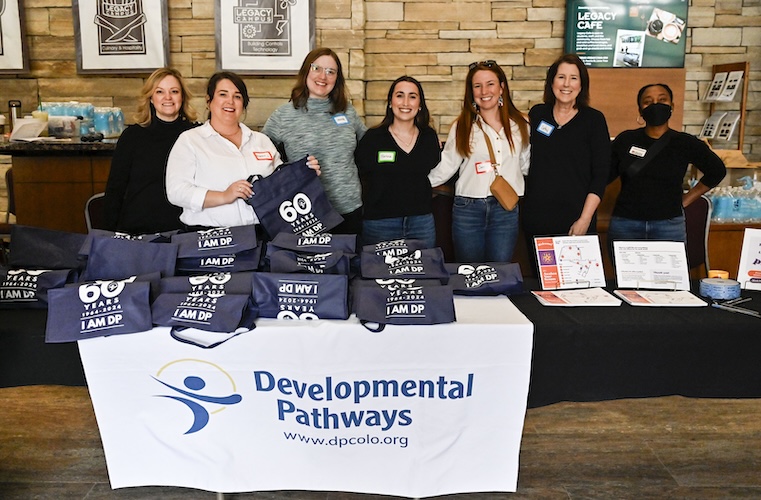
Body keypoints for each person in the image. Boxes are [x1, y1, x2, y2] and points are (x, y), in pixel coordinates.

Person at [166, 72, 320, 229]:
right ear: (209, 101)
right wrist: (224, 196)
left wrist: (304, 173)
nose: (230, 102)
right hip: (210, 239)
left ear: (243, 104)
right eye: (223, 94)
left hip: (263, 236)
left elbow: (280, 187)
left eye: (237, 96)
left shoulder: (262, 141)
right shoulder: (190, 140)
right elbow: (177, 192)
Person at [427, 60, 530, 262]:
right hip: (468, 209)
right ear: (471, 91)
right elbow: (447, 166)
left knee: (500, 271)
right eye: (477, 85)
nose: (484, 91)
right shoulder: (463, 126)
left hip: (505, 208)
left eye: (490, 84)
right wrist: (415, 184)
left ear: (501, 88)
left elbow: (525, 164)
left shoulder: (520, 125)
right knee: (470, 272)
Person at [607, 83, 726, 255]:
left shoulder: (685, 143)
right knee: (627, 280)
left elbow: (717, 171)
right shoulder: (626, 140)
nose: (655, 105)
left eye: (662, 100)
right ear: (640, 109)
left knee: (667, 279)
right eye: (648, 101)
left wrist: (686, 199)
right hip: (626, 224)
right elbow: (603, 175)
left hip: (668, 225)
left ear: (672, 105)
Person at [262, 48, 366, 235]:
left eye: (330, 72)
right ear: (305, 72)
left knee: (349, 264)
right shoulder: (283, 116)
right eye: (316, 68)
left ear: (337, 79)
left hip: (349, 210)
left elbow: (370, 146)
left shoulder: (348, 112)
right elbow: (262, 159)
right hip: (305, 214)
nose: (323, 76)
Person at [522, 54, 611, 252]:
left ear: (581, 84)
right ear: (552, 81)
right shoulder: (538, 114)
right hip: (537, 217)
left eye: (573, 78)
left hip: (577, 218)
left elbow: (601, 175)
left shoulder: (594, 120)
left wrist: (585, 219)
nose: (566, 84)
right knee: (542, 280)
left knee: (577, 280)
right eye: (561, 77)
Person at [103, 67, 198, 234]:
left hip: (185, 232)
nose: (167, 97)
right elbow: (115, 190)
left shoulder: (196, 135)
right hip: (139, 231)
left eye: (174, 91)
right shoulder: (132, 136)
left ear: (182, 97)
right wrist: (108, 236)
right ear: (151, 98)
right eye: (160, 91)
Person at [354, 76, 441, 247]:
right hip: (380, 224)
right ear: (390, 102)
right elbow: (358, 175)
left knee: (424, 272)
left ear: (420, 104)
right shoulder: (373, 139)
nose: (405, 102)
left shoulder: (429, 138)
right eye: (400, 95)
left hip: (421, 223)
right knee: (378, 273)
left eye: (412, 96)